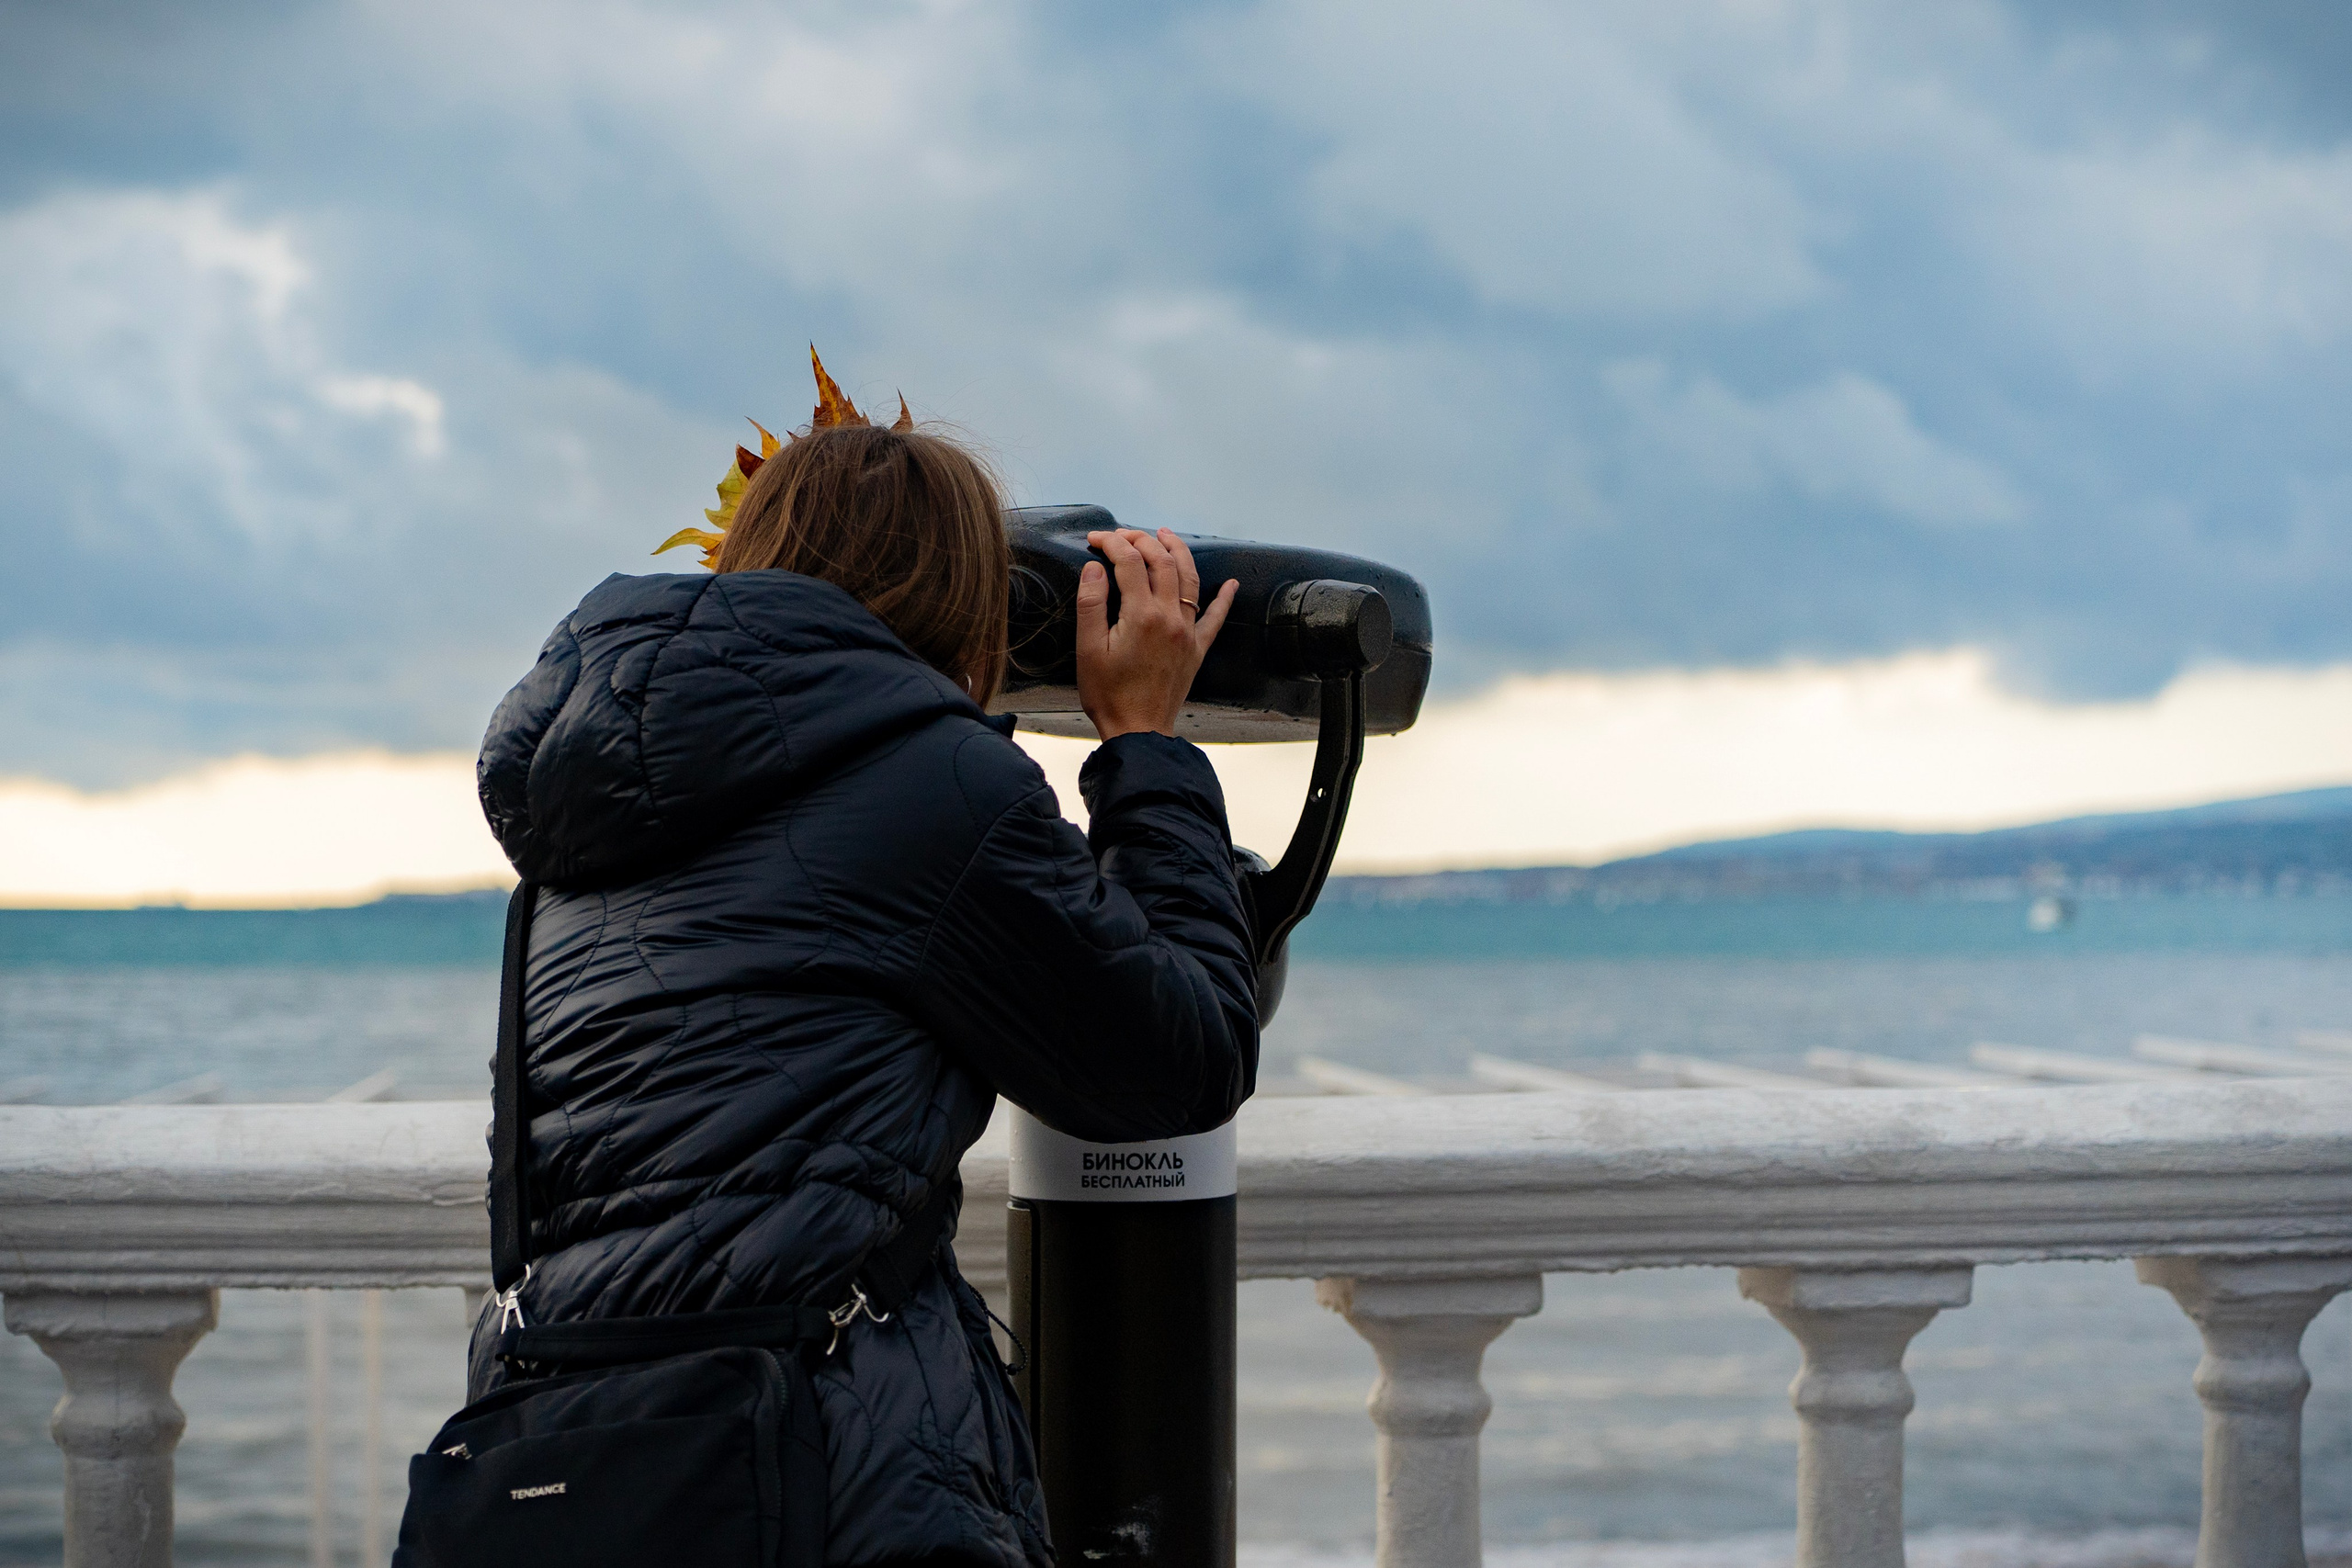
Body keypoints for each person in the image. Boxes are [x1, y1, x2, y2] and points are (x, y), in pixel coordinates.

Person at [469, 373, 1259, 1568]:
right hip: (826, 1474)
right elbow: (1177, 1062)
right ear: (963, 612)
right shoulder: (931, 785)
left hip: (580, 1466)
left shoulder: (579, 830)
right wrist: (1147, 748)